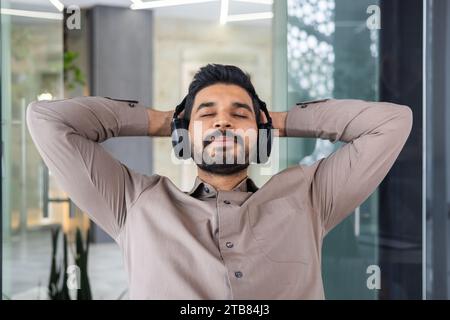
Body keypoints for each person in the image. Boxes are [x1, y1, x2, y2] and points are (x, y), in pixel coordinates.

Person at [26, 64, 412, 299]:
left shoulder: (311, 198)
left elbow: (391, 123)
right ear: (183, 134)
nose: (223, 122)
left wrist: (274, 120)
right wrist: (167, 121)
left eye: (239, 114)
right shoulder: (133, 203)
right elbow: (48, 120)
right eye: (207, 114)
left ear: (261, 134)